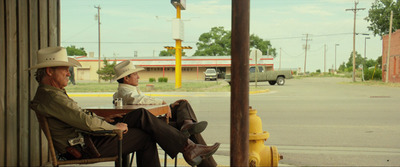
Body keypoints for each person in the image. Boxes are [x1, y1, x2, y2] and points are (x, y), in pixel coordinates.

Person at [29, 47, 220, 166]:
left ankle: (189, 145)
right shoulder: (50, 97)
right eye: (65, 69)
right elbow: (84, 121)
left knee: (142, 116)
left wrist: (105, 120)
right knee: (147, 131)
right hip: (85, 146)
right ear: (49, 71)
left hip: (90, 137)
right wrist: (112, 127)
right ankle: (190, 147)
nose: (69, 73)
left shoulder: (52, 94)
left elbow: (80, 116)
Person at [112, 60, 218, 166]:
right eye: (135, 74)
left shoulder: (131, 89)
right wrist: (162, 103)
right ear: (126, 78)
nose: (138, 77)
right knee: (190, 130)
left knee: (182, 105)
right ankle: (192, 143)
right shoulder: (125, 92)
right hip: (146, 124)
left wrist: (170, 106)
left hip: (148, 121)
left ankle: (187, 124)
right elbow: (137, 100)